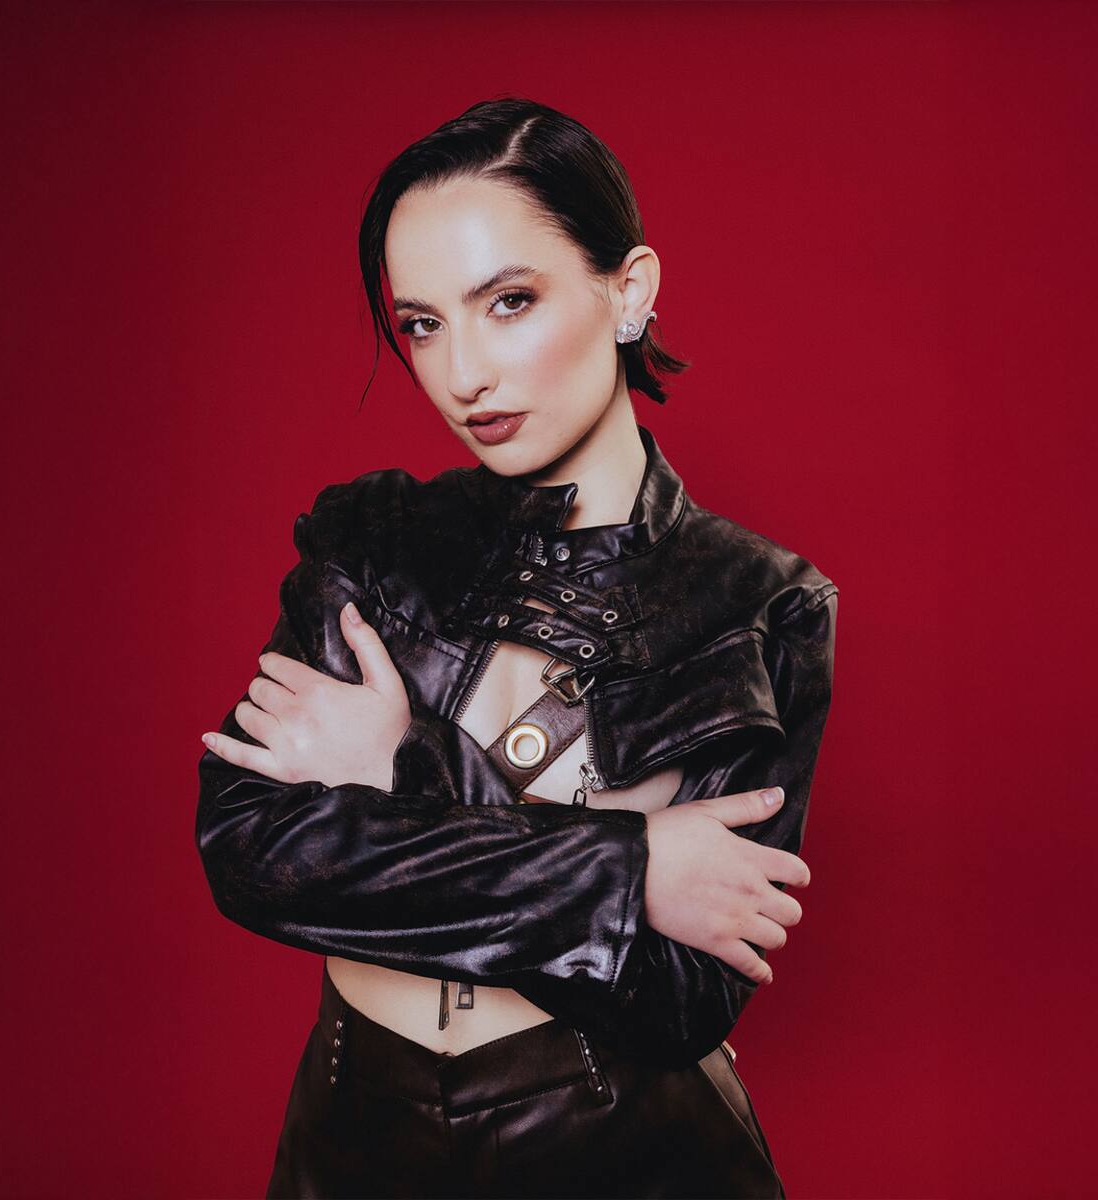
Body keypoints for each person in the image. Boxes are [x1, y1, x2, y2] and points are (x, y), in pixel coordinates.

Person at [196, 97, 838, 1200]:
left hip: (626, 1149)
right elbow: (254, 848)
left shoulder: (760, 603)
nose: (462, 376)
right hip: (353, 1138)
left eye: (509, 302)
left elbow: (681, 998)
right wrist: (633, 869)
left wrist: (402, 769)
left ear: (628, 290)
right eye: (423, 324)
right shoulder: (373, 541)